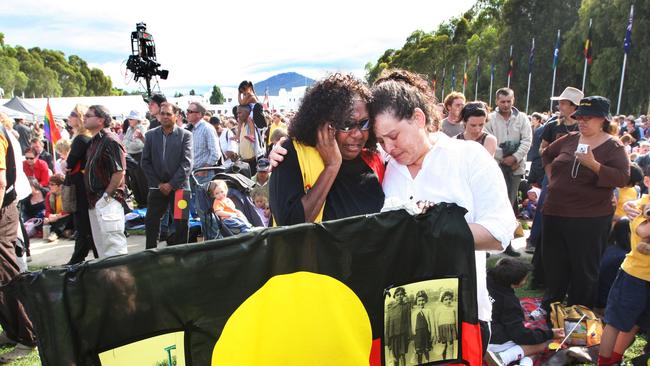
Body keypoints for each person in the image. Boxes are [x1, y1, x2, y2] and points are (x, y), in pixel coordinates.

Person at [369, 69, 517, 354]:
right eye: (381, 140)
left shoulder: (468, 157)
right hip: (400, 315)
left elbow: (501, 233)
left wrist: (433, 228)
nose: (388, 146)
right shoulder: (386, 168)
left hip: (459, 313)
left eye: (394, 136)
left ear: (419, 118)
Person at [541, 96, 630, 311]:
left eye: (588, 118)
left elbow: (622, 178)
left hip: (589, 217)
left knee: (584, 270)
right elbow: (546, 155)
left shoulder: (614, 146)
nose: (582, 121)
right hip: (555, 211)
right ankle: (550, 308)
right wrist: (552, 178)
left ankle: (578, 315)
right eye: (579, 117)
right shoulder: (570, 139)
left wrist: (594, 165)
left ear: (602, 120)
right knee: (554, 265)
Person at [269, 73, 385, 225]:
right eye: (347, 124)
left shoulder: (373, 161)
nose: (357, 134)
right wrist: (332, 166)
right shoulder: (290, 154)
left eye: (364, 124)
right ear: (323, 124)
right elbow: (290, 226)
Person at [597, 165, 650, 366]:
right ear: (647, 181)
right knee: (616, 322)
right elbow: (645, 232)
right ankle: (604, 362)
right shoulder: (640, 205)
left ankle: (616, 359)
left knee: (635, 323)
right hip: (634, 276)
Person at [0, 119, 37, 362]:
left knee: (5, 273)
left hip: (2, 209)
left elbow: (0, 182)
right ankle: (14, 331)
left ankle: (28, 336)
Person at [486, 258, 563, 366]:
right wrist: (550, 334)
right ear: (514, 283)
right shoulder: (509, 302)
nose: (525, 281)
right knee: (541, 344)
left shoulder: (486, 279)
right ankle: (504, 358)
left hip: (476, 329)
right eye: (524, 279)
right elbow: (520, 335)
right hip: (491, 340)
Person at [141, 102, 193, 249]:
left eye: (168, 114)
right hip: (157, 187)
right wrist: (159, 184)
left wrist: (171, 185)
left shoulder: (186, 136)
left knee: (182, 223)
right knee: (151, 221)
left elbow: (187, 164)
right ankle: (150, 254)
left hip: (180, 187)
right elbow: (145, 162)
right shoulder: (151, 135)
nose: (164, 116)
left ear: (176, 117)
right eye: (162, 113)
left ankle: (182, 254)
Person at [83, 105, 128, 258]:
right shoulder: (94, 142)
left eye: (88, 115)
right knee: (102, 249)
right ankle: (108, 280)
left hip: (108, 201)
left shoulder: (110, 140)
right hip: (95, 200)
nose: (84, 118)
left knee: (114, 249)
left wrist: (106, 196)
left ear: (101, 120)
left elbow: (119, 171)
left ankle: (120, 281)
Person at [65, 104, 98, 264]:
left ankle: (78, 258)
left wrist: (66, 162)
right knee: (85, 222)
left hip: (79, 185)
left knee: (82, 222)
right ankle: (84, 254)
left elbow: (69, 164)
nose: (69, 117)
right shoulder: (85, 138)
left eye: (72, 113)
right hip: (83, 184)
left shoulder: (80, 139)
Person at [187, 102, 221, 240]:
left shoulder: (207, 128)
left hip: (203, 174)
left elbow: (215, 153)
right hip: (194, 174)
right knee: (199, 210)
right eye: (187, 111)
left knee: (205, 209)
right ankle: (208, 237)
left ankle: (213, 239)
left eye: (190, 111)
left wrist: (204, 169)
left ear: (199, 114)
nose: (187, 113)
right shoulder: (192, 129)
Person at [123, 110, 149, 208]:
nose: (129, 120)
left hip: (139, 156)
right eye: (129, 118)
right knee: (133, 181)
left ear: (137, 120)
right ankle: (139, 202)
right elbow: (125, 141)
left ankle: (144, 203)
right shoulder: (130, 129)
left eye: (131, 118)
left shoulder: (141, 128)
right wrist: (129, 144)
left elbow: (139, 145)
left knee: (141, 180)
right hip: (130, 156)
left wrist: (128, 144)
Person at [385, 287, 411, 366]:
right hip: (393, 336)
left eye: (401, 294)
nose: (399, 296)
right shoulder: (390, 309)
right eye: (397, 295)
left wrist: (409, 335)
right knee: (395, 357)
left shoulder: (406, 307)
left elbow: (408, 321)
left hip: (403, 335)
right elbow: (387, 324)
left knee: (402, 355)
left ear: (404, 296)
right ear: (395, 297)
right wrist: (387, 340)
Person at [44, 174, 73, 241]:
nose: (49, 186)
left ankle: (55, 233)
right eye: (49, 184)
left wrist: (57, 216)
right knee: (44, 221)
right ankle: (65, 232)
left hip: (65, 217)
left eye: (52, 184)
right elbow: (47, 211)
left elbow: (69, 210)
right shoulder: (49, 195)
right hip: (55, 218)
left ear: (60, 186)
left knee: (67, 218)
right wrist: (50, 216)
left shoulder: (67, 194)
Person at [433, 291, 458, 360]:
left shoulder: (453, 308)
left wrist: (456, 330)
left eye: (449, 299)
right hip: (442, 328)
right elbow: (436, 321)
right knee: (443, 345)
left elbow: (456, 320)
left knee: (451, 345)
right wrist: (437, 333)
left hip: (451, 328)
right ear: (442, 300)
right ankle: (444, 360)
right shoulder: (439, 309)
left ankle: (451, 359)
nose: (448, 301)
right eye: (446, 299)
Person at [411, 290, 433, 364]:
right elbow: (413, 324)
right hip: (418, 335)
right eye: (419, 300)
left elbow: (431, 323)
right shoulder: (414, 313)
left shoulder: (428, 311)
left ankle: (427, 361)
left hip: (426, 333)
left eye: (423, 300)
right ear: (416, 301)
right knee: (419, 352)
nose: (421, 302)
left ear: (425, 300)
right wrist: (413, 335)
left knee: (426, 350)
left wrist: (433, 333)